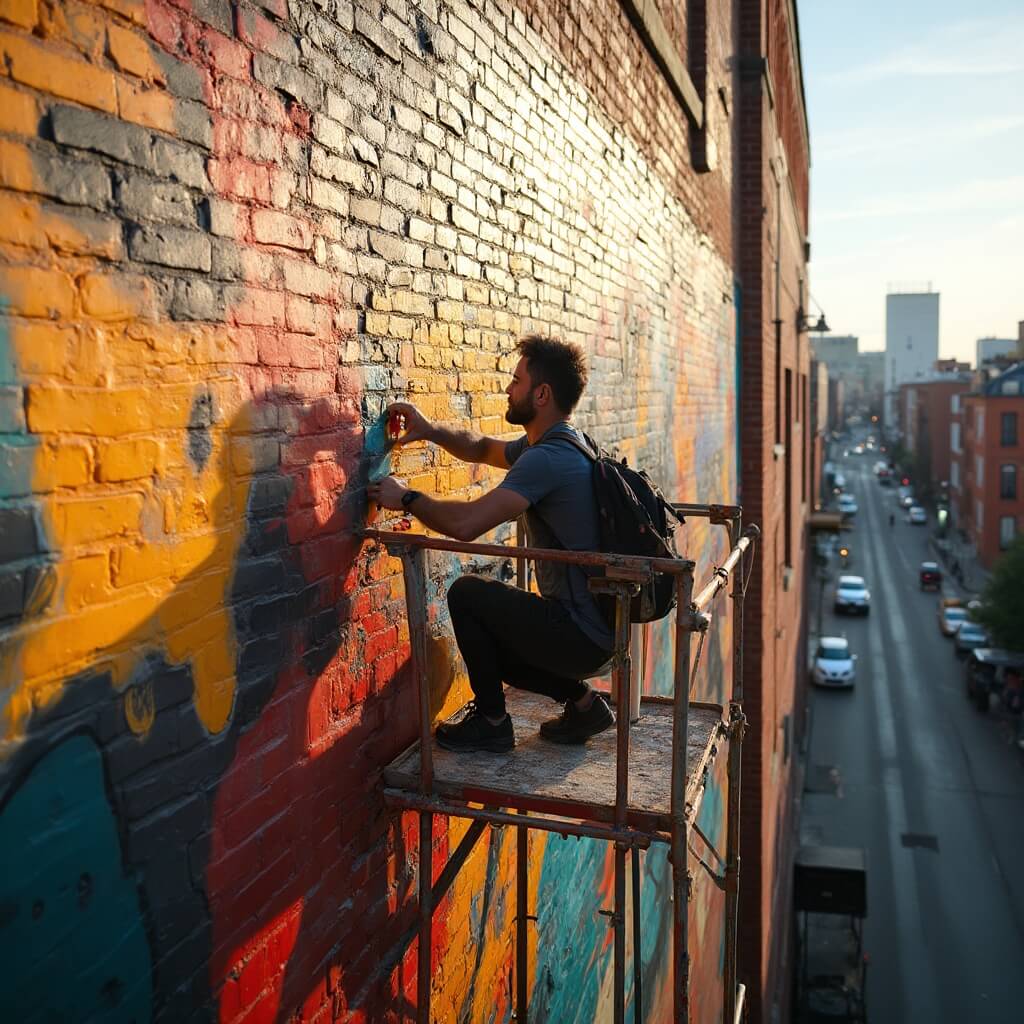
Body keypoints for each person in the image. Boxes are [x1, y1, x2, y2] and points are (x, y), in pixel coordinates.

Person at [367, 335, 615, 753]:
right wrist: (429, 429)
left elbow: (465, 524)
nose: (507, 388)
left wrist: (406, 497)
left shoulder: (546, 459)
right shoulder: (565, 443)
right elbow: (482, 448)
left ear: (542, 394)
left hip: (580, 635)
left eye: (516, 381)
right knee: (497, 642)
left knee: (466, 595)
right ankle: (584, 704)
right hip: (604, 633)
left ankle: (492, 721)